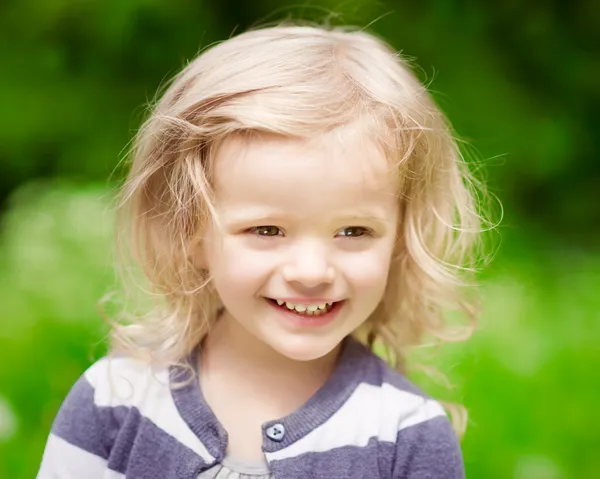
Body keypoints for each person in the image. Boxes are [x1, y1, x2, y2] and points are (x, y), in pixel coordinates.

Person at [37, 22, 486, 479]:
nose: (311, 272)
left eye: (353, 232)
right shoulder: (116, 400)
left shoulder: (405, 436)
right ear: (191, 236)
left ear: (401, 241)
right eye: (267, 230)